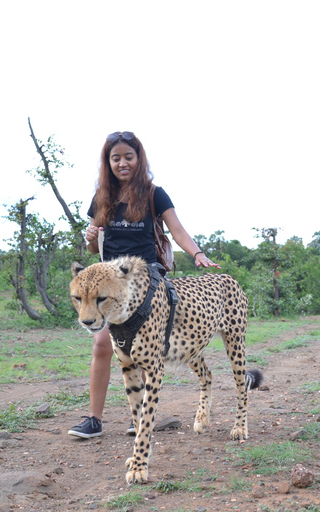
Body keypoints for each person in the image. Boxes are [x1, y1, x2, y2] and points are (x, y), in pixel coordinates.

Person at [68, 131, 219, 439]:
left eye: (128, 157)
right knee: (103, 344)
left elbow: (177, 230)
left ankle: (140, 419)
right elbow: (93, 251)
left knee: (140, 347)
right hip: (111, 282)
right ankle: (95, 419)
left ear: (139, 159)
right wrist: (90, 240)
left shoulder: (154, 194)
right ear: (107, 162)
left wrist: (198, 254)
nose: (122, 163)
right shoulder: (101, 197)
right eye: (115, 158)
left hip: (147, 279)